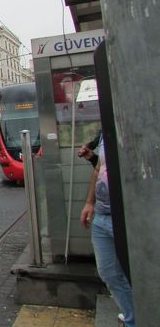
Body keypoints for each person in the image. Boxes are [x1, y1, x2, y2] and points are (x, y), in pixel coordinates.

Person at [79, 135, 135, 327]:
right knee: (109, 273)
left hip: (129, 217)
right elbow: (99, 169)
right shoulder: (104, 133)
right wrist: (89, 202)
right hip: (102, 216)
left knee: (137, 272)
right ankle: (131, 316)